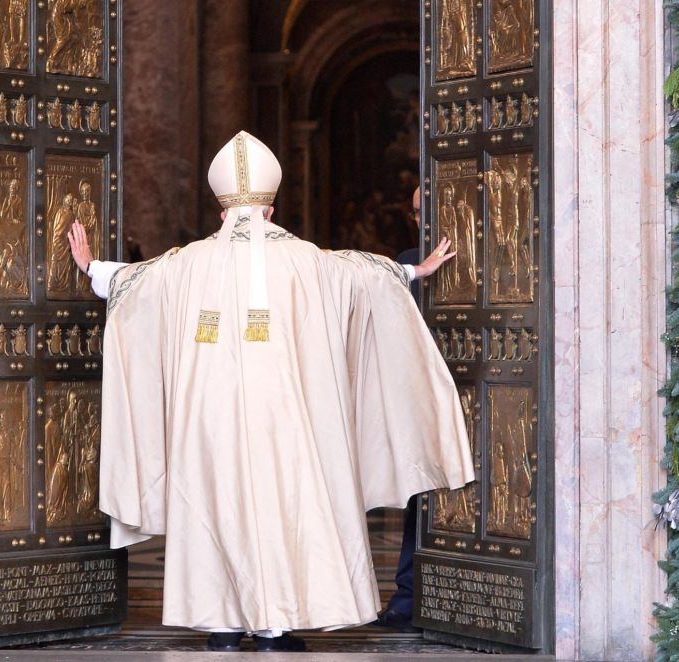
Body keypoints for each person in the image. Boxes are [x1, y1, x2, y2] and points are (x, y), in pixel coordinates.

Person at [67, 132, 473, 653]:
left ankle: (223, 624)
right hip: (287, 418)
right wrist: (414, 269)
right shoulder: (310, 260)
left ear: (220, 212)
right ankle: (277, 626)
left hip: (206, 422)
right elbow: (367, 276)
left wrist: (88, 267)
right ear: (273, 208)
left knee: (215, 506)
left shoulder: (185, 262)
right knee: (283, 508)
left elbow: (131, 283)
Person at [376, 186, 423, 631]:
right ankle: (408, 598)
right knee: (417, 497)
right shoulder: (407, 261)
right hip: (416, 396)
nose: (420, 219)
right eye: (414, 212)